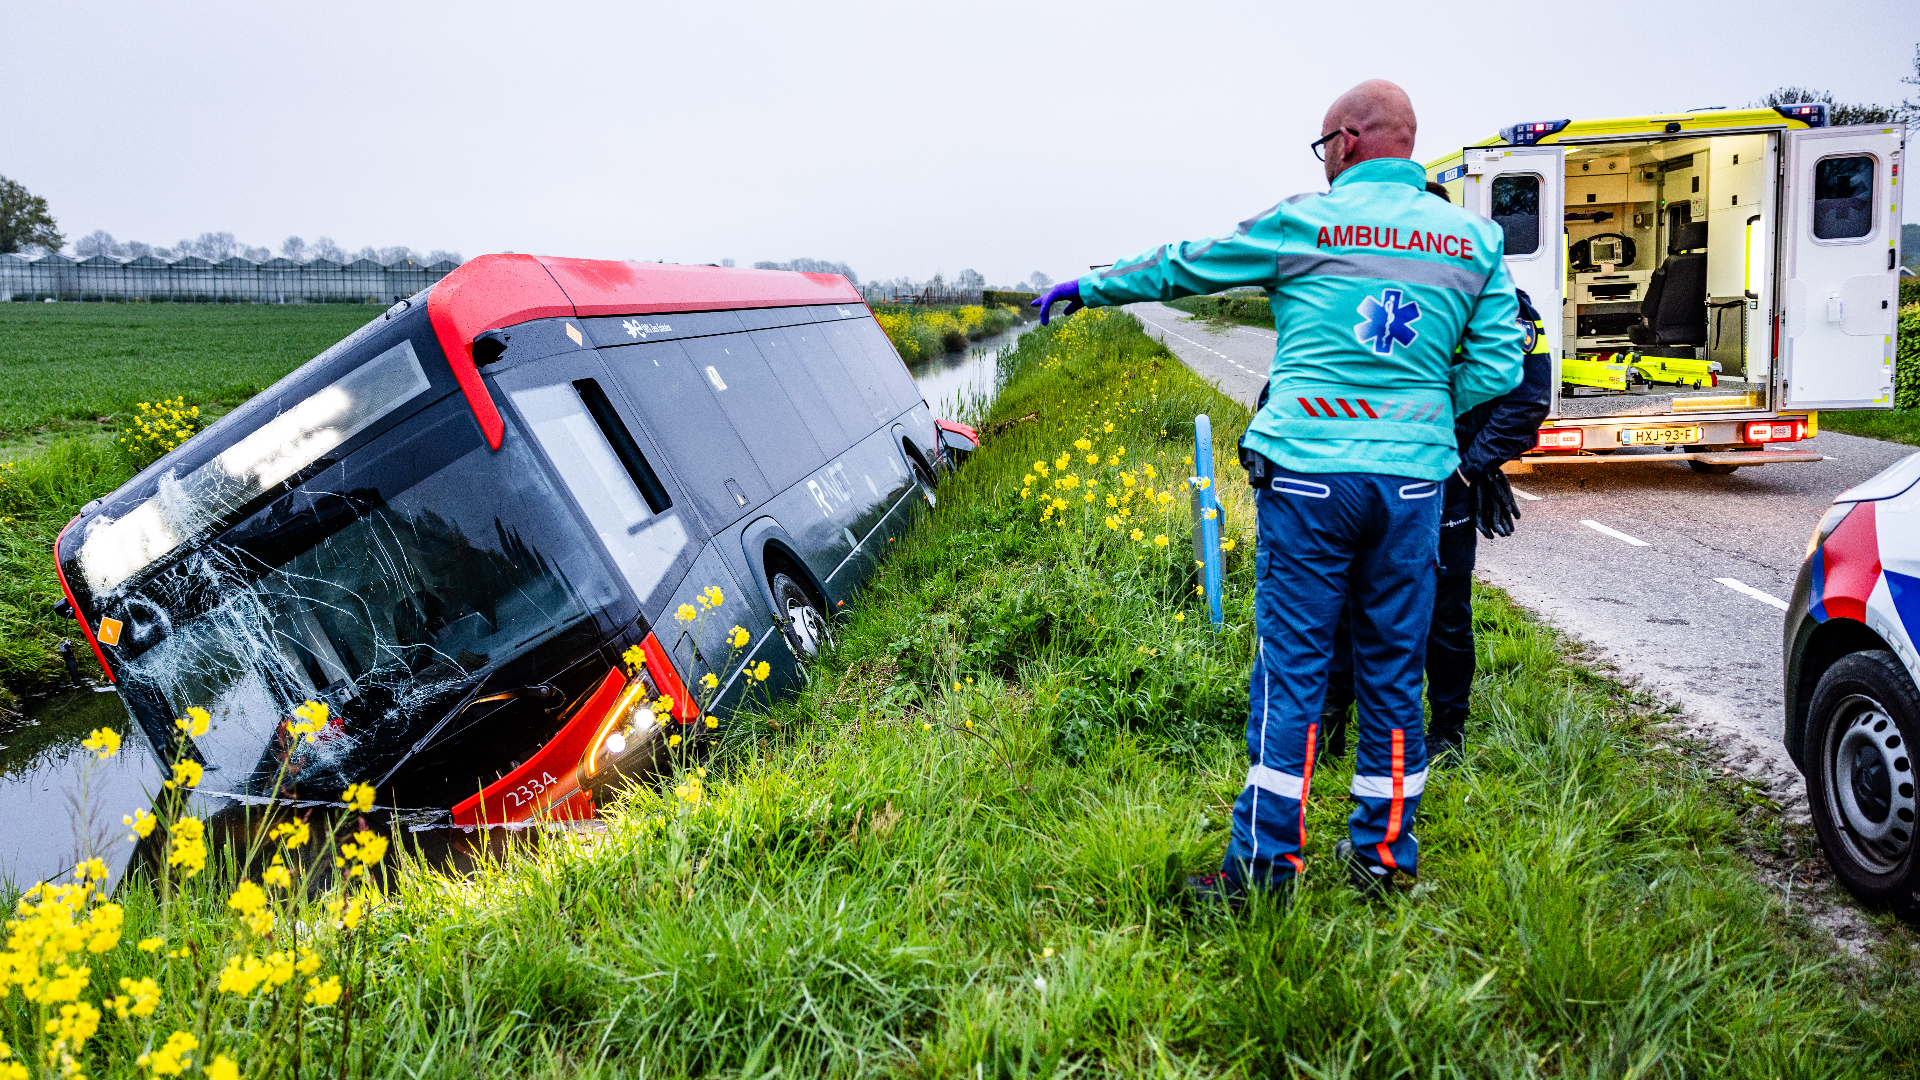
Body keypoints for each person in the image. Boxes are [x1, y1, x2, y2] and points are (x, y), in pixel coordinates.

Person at [1032, 80, 1523, 902]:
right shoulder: (1472, 240)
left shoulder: (1306, 220)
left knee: (1292, 667)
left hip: (1308, 477)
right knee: (1395, 670)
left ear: (1348, 139)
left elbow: (1187, 265)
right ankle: (1384, 859)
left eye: (1324, 145)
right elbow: (1501, 366)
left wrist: (1093, 286)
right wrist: (1419, 413)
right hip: (1410, 487)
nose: (1323, 158)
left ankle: (1263, 868)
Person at [1318, 184, 1554, 763]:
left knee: (1443, 613)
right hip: (1356, 476)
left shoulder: (1499, 302)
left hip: (1443, 483)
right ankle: (1328, 735)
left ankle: (1447, 733)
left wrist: (1472, 469)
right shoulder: (1349, 294)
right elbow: (1306, 370)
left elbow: (1526, 402)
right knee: (1344, 606)